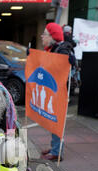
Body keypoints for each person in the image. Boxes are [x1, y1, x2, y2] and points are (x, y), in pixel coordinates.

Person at [40, 22, 76, 162]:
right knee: (52, 120)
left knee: (56, 121)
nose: (42, 36)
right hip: (53, 91)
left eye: (45, 34)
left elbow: (59, 68)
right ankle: (54, 147)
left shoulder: (62, 50)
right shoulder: (53, 49)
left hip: (59, 92)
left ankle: (56, 152)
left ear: (52, 36)